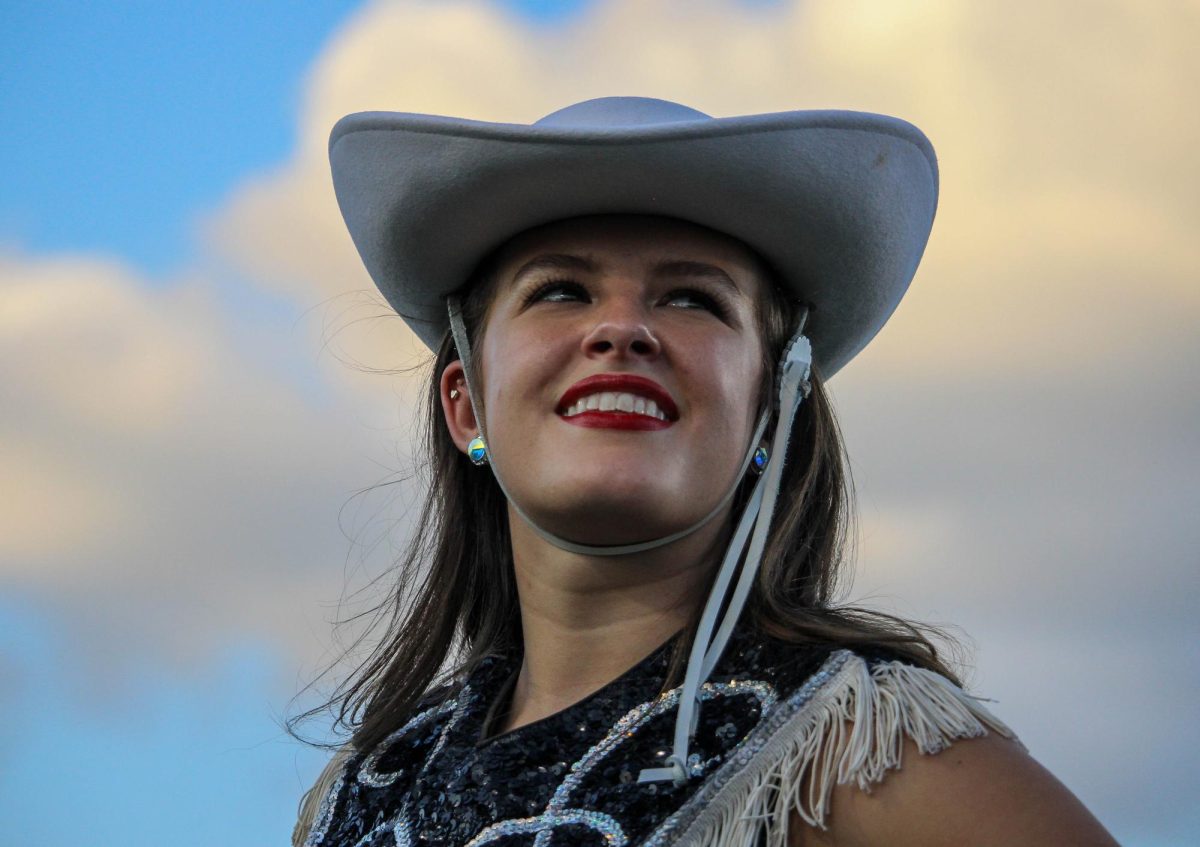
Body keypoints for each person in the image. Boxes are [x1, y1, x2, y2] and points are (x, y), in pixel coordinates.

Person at [292, 97, 1118, 846]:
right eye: (560, 291)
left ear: (772, 413)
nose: (622, 330)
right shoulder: (361, 796)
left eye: (692, 299)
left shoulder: (863, 752)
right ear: (465, 403)